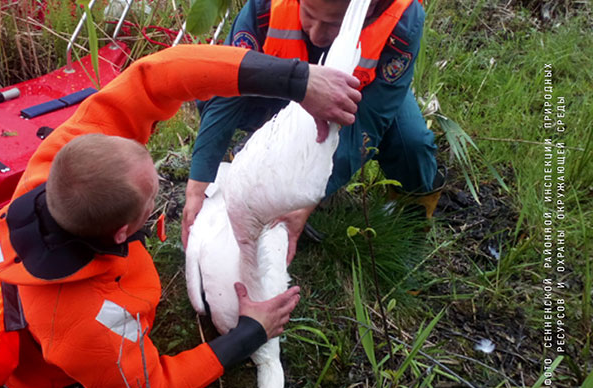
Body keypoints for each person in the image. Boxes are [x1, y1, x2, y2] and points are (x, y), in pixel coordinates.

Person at [0, 44, 358, 388]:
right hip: (57, 376)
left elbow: (157, 75)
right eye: (152, 200)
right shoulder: (82, 323)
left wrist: (297, 80)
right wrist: (250, 334)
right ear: (121, 234)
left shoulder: (68, 159)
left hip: (54, 286)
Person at [182, 0, 441, 262]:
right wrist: (199, 180)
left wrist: (309, 196)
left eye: (333, 25)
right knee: (212, 95)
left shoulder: (401, 19)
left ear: (369, 9)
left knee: (412, 144)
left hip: (362, 92)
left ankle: (411, 219)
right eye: (308, 15)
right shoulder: (265, 6)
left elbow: (368, 121)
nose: (317, 34)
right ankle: (254, 154)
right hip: (280, 86)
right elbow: (228, 81)